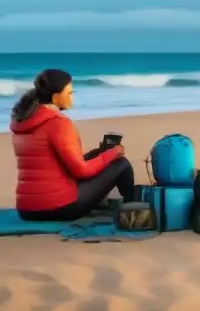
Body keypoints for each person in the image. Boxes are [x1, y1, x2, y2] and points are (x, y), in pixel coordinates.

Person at [11, 69, 135, 221]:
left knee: (100, 157)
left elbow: (56, 164)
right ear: (56, 97)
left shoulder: (23, 121)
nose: (72, 98)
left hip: (26, 210)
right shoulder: (58, 123)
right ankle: (134, 208)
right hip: (60, 208)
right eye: (69, 93)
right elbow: (81, 171)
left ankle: (118, 204)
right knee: (121, 164)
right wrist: (112, 154)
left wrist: (98, 153)